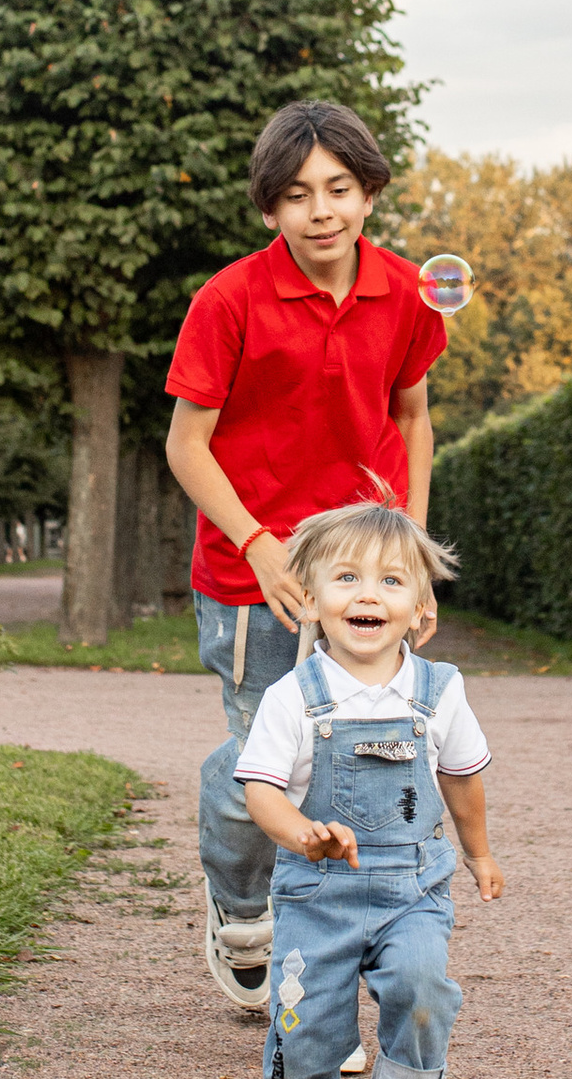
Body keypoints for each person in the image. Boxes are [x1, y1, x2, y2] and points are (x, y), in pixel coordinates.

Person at [165, 101, 448, 1026]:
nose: (320, 210)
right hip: (253, 572)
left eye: (338, 189)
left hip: (360, 570)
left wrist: (409, 562)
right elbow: (186, 445)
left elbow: (411, 417)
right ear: (269, 209)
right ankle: (241, 906)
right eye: (296, 195)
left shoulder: (407, 292)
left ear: (368, 192)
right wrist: (257, 540)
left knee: (359, 747)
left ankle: (333, 950)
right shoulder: (229, 300)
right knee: (267, 758)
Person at [232, 500, 500, 1079]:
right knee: (305, 1015)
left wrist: (479, 852)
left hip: (411, 887)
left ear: (420, 607)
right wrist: (302, 833)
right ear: (312, 599)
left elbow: (461, 777)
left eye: (390, 581)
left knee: (421, 984)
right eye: (346, 577)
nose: (367, 595)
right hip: (313, 893)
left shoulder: (439, 691)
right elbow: (261, 790)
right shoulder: (293, 697)